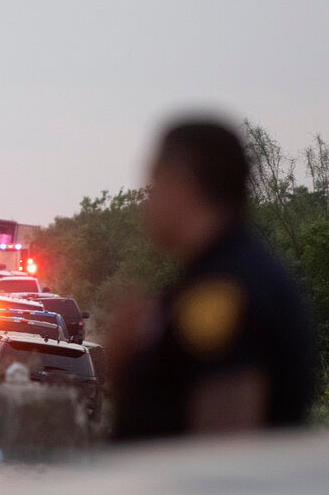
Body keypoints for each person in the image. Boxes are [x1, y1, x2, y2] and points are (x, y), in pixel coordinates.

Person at [110, 119, 314, 440]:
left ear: (182, 184)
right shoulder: (229, 270)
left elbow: (221, 455)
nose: (147, 203)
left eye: (153, 183)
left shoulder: (221, 291)